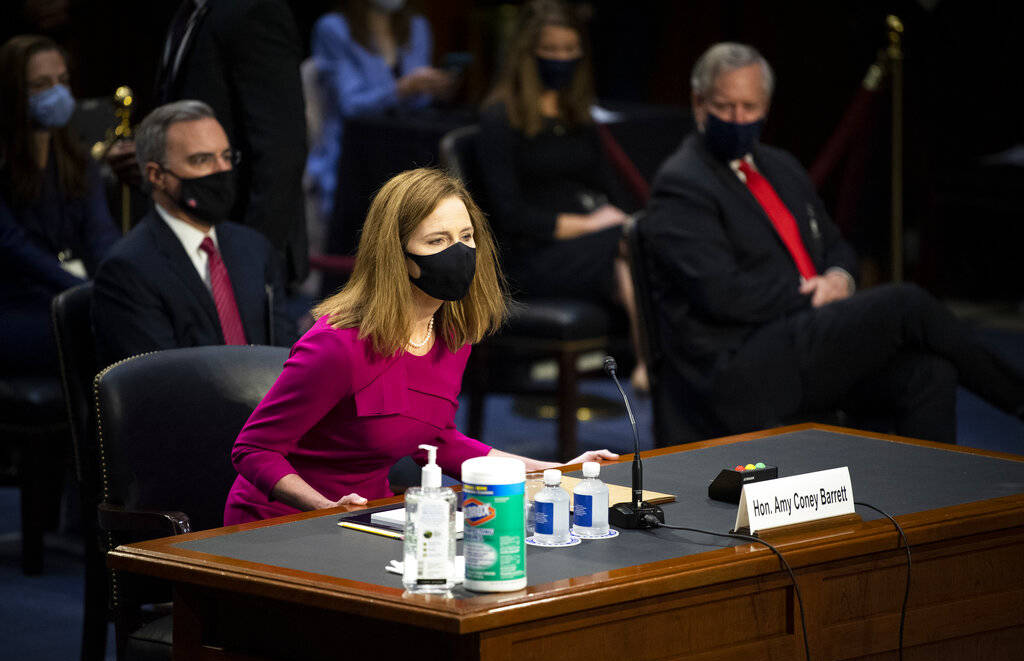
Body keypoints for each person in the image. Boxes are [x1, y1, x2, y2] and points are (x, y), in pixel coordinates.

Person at [639, 42, 1024, 445]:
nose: (738, 119)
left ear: (766, 106)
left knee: (928, 373)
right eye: (725, 107)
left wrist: (839, 277)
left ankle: (933, 503)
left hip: (805, 339)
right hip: (741, 362)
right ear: (699, 104)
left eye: (749, 108)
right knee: (905, 303)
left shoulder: (780, 166)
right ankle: (1017, 398)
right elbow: (721, 294)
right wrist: (810, 295)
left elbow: (836, 246)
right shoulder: (682, 183)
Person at [223, 168, 617, 524]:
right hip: (282, 522)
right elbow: (254, 449)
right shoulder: (337, 345)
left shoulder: (448, 332)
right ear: (397, 255)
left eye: (466, 237)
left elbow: (439, 441)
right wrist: (323, 508)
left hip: (371, 516)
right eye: (437, 240)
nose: (459, 252)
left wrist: (556, 471)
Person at [475, 0, 647, 389]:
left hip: (589, 247)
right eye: (551, 51)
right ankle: (653, 363)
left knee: (637, 242)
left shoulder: (576, 115)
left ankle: (654, 362)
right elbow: (511, 216)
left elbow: (609, 187)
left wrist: (618, 216)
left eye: (570, 51)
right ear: (528, 55)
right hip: (529, 255)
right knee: (625, 246)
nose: (562, 60)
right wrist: (590, 224)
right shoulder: (500, 118)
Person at [92, 100, 296, 368]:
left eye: (225, 156)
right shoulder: (128, 269)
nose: (221, 170)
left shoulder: (254, 248)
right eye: (202, 160)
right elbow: (155, 383)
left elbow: (289, 353)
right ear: (156, 175)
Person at [145, 0, 310, 288]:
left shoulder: (254, 11)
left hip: (235, 255)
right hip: (191, 245)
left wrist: (247, 261)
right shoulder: (191, 12)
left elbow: (280, 155)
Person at [0, 34, 119, 376]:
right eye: (41, 84)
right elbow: (14, 248)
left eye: (63, 81)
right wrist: (86, 292)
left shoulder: (76, 158)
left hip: (73, 291)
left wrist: (118, 283)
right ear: (13, 92)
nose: (57, 92)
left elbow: (101, 233)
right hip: (18, 301)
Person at [306, 0, 453, 227]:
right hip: (352, 155)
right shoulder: (334, 28)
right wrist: (403, 88)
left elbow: (420, 103)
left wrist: (433, 86)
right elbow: (351, 104)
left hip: (407, 149)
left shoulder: (417, 26)